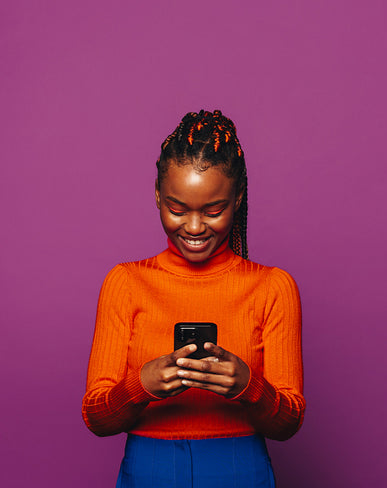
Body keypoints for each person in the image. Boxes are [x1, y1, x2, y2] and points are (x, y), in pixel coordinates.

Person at [82, 109, 305, 488]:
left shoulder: (272, 287)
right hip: (149, 468)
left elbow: (288, 425)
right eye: (177, 209)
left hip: (240, 466)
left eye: (213, 210)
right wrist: (142, 385)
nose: (195, 227)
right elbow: (97, 419)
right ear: (157, 195)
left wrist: (249, 386)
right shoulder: (126, 282)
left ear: (238, 198)